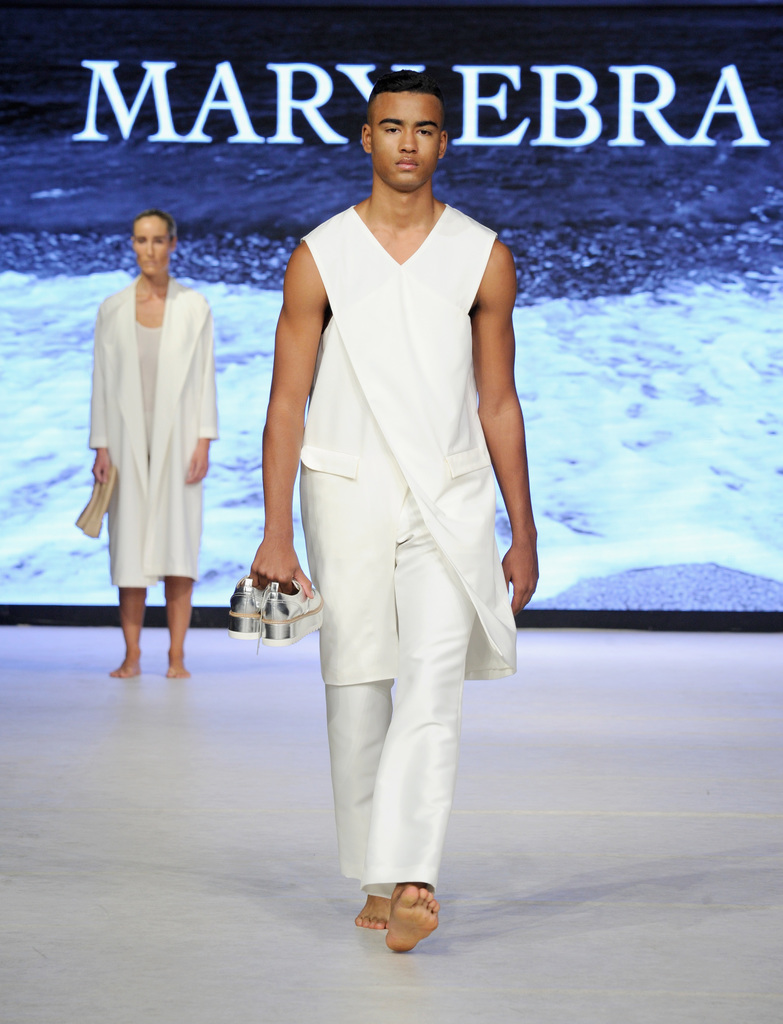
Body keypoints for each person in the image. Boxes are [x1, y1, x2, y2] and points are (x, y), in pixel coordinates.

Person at [250, 70, 538, 951]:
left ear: (443, 142)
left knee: (435, 679)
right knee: (356, 683)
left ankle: (412, 875)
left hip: (449, 494)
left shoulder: (482, 255)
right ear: (365, 138)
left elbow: (498, 401)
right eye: (391, 126)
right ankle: (378, 877)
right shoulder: (320, 255)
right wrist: (273, 531)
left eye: (423, 128)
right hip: (344, 489)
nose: (407, 142)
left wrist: (523, 530)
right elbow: (286, 403)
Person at [89, 209, 218, 678]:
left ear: (173, 244)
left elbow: (205, 378)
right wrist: (101, 446)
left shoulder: (194, 307)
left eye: (158, 240)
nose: (150, 249)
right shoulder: (113, 309)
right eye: (142, 240)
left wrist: (204, 441)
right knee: (128, 552)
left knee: (178, 548)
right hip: (125, 443)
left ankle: (176, 656)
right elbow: (101, 382)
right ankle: (132, 655)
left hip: (180, 440)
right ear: (132, 244)